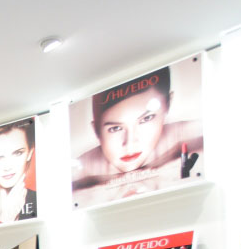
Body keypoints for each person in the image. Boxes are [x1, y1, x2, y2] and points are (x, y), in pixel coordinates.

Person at [72, 65, 203, 201]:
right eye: (115, 128)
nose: (130, 143)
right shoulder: (76, 178)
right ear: (96, 130)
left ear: (168, 105)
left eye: (146, 119)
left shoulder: (196, 138)